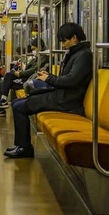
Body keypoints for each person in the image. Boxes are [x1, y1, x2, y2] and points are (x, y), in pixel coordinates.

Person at [5, 23, 92, 159]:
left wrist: (49, 78)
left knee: (19, 107)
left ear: (74, 38)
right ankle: (22, 145)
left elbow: (72, 80)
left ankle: (25, 148)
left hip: (67, 101)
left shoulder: (84, 56)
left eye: (64, 41)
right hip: (61, 95)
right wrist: (49, 77)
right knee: (17, 103)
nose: (63, 45)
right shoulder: (77, 54)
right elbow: (68, 78)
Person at [0, 38, 47, 117]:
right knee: (4, 80)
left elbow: (34, 70)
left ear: (39, 46)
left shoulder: (44, 57)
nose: (33, 51)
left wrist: (20, 74)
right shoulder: (37, 57)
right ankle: (2, 103)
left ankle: (1, 104)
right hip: (26, 78)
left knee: (6, 78)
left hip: (29, 80)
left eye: (34, 49)